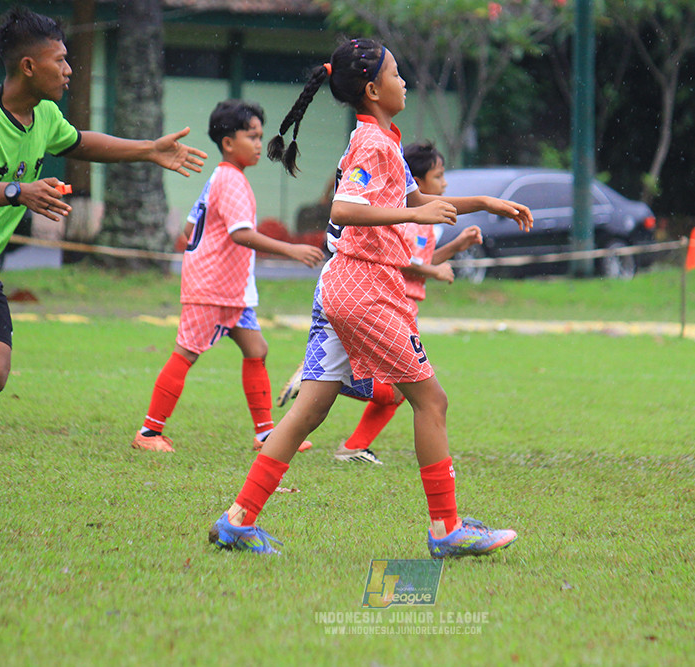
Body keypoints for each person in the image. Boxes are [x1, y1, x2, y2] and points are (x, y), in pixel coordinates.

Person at [207, 38, 533, 558]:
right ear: (373, 88)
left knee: (309, 409)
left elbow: (418, 199)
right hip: (365, 292)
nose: (405, 83)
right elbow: (345, 209)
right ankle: (446, 530)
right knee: (431, 401)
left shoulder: (382, 139)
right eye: (398, 74)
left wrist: (484, 203)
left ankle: (236, 520)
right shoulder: (371, 145)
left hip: (345, 290)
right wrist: (414, 216)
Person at [0, 7, 207, 429]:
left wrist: (148, 150)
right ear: (28, 66)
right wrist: (18, 191)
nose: (68, 69)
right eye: (59, 60)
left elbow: (80, 142)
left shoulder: (44, 115)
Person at [131, 100, 324, 453]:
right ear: (228, 143)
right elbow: (240, 233)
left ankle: (266, 435)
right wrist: (291, 249)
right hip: (213, 289)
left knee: (257, 349)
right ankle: (148, 434)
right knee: (185, 353)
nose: (257, 143)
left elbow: (191, 228)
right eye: (251, 136)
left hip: (231, 290)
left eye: (260, 136)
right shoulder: (231, 181)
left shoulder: (218, 178)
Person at [277, 140, 484, 465]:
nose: (444, 184)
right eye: (439, 176)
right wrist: (434, 266)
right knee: (415, 395)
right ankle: (343, 427)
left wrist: (457, 245)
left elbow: (419, 260)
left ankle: (351, 444)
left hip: (387, 301)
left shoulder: (411, 206)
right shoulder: (408, 208)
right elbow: (407, 263)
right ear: (416, 179)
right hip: (387, 303)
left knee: (404, 394)